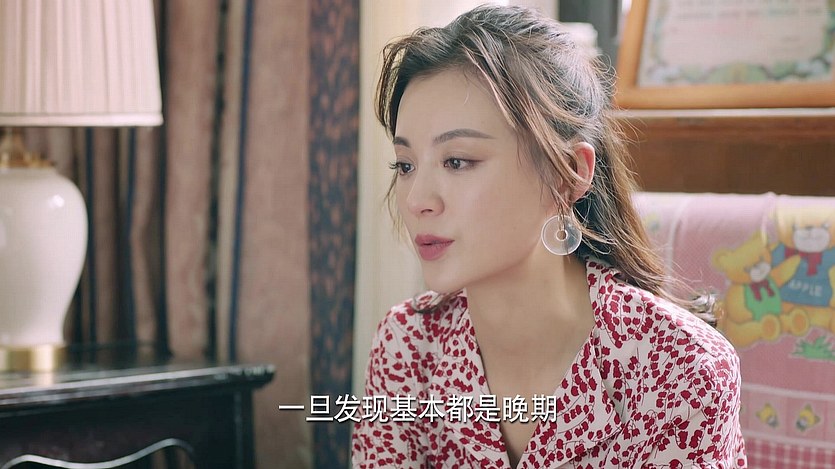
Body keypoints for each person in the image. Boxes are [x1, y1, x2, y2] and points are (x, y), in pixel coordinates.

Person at [352, 4, 746, 468]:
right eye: (405, 165)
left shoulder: (680, 369)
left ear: (568, 174)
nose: (418, 199)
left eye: (457, 161)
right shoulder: (407, 343)